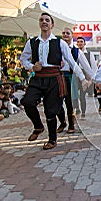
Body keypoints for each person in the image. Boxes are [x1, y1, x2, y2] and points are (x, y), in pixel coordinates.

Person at [20, 13, 90, 150]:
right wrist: (31, 67)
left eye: (47, 20)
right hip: (38, 77)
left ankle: (52, 139)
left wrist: (82, 79)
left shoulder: (60, 43)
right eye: (41, 20)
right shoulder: (32, 42)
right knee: (27, 102)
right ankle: (38, 126)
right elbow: (24, 59)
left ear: (52, 25)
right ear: (39, 24)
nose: (44, 22)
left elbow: (72, 62)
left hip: (54, 78)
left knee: (50, 110)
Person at [57, 28, 94, 133]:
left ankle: (71, 125)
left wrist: (93, 79)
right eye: (63, 33)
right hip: (58, 77)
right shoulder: (56, 48)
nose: (65, 35)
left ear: (72, 36)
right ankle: (62, 122)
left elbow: (86, 67)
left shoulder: (77, 51)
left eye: (67, 33)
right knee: (56, 102)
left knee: (70, 102)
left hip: (70, 77)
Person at [72, 36, 97, 119]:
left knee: (82, 95)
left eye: (81, 42)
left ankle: (83, 112)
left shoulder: (89, 54)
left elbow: (93, 68)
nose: (79, 43)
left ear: (84, 43)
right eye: (78, 42)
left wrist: (91, 79)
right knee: (74, 94)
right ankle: (77, 109)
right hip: (75, 75)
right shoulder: (74, 53)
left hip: (85, 76)